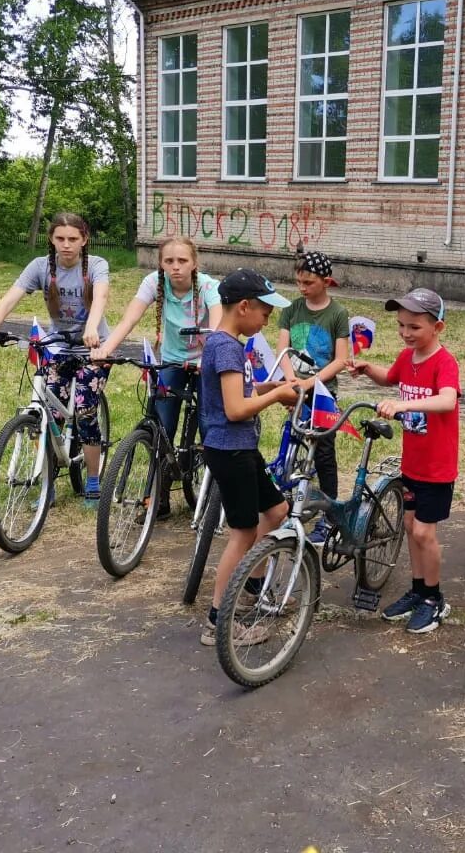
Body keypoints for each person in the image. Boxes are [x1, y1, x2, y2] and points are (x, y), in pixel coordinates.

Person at [0, 212, 111, 506]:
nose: (66, 245)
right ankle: (47, 482)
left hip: (93, 348)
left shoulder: (96, 266)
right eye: (60, 238)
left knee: (85, 411)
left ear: (84, 240)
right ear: (51, 239)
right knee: (52, 414)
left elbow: (100, 298)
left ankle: (91, 480)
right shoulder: (40, 267)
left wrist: (91, 329)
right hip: (58, 345)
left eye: (73, 239)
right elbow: (11, 297)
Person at [349, 288, 460, 634]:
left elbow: (446, 401)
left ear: (437, 327)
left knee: (425, 533)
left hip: (437, 467)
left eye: (414, 327)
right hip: (413, 463)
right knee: (411, 528)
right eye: (401, 326)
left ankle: (434, 599)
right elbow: (390, 377)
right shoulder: (406, 358)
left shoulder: (445, 362)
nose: (406, 333)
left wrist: (403, 406)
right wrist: (369, 369)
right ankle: (417, 590)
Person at [197, 268, 298, 647]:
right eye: (265, 313)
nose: (267, 320)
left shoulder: (225, 343)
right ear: (243, 307)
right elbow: (236, 409)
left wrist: (271, 386)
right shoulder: (227, 347)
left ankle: (250, 588)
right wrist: (275, 398)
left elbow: (239, 390)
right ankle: (218, 620)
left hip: (240, 449)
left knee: (275, 512)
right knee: (241, 532)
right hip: (230, 450)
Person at [91, 237, 221, 516]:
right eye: (169, 261)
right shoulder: (153, 282)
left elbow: (219, 327)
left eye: (182, 261)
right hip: (171, 362)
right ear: (161, 263)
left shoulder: (209, 286)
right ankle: (158, 499)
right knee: (162, 426)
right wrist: (105, 349)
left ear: (194, 263)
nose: (175, 267)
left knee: (211, 425)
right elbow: (130, 319)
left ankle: (213, 494)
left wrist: (210, 358)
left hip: (204, 362)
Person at [277, 250, 350, 544]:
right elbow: (282, 350)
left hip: (322, 395)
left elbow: (340, 359)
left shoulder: (337, 314)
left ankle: (329, 518)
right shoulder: (290, 311)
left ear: (326, 281)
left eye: (308, 282)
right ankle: (288, 509)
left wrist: (310, 383)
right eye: (299, 282)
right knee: (290, 447)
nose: (302, 288)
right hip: (295, 389)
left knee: (323, 455)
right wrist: (291, 378)